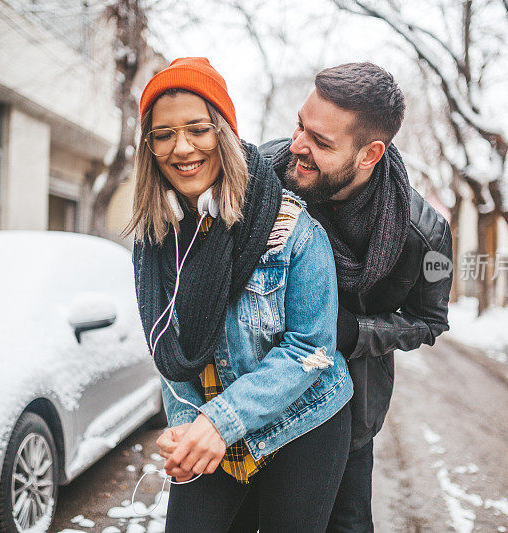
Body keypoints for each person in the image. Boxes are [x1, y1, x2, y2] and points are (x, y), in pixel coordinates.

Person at [126, 57, 353, 532]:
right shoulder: (154, 239)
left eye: (197, 129)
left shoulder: (292, 230)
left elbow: (310, 350)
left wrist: (218, 422)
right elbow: (169, 345)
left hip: (303, 421)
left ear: (224, 134)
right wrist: (188, 426)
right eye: (163, 134)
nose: (181, 147)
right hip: (209, 420)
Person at [260, 62, 453, 532]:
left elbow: (431, 322)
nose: (298, 146)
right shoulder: (261, 178)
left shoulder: (425, 237)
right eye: (299, 125)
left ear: (369, 154)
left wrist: (357, 332)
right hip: (258, 394)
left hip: (350, 413)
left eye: (321, 142)